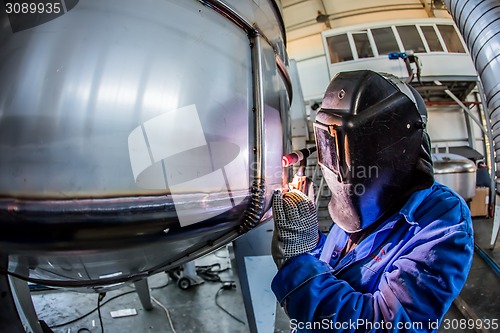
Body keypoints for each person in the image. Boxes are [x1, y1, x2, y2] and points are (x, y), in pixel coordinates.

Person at [271, 70, 474, 332]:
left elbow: (386, 325)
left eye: (346, 148)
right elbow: (337, 265)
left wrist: (297, 264)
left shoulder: (442, 220)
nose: (336, 164)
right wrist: (309, 240)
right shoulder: (357, 207)